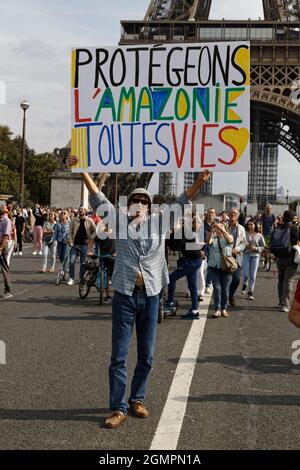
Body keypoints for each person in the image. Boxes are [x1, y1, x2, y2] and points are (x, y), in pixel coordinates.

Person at [67, 154, 211, 428]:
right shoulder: (119, 222)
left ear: (149, 207)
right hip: (124, 295)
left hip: (152, 296)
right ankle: (119, 407)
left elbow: (182, 201)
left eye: (144, 201)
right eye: (135, 200)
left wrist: (201, 181)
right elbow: (97, 197)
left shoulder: (160, 222)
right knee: (118, 355)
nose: (140, 204)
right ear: (129, 205)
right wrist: (81, 170)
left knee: (147, 354)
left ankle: (137, 399)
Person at [164, 215, 205, 320]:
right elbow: (169, 244)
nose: (172, 226)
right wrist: (170, 234)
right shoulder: (181, 231)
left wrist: (174, 232)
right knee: (192, 286)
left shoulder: (184, 231)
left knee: (172, 277)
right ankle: (194, 311)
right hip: (191, 260)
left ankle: (170, 302)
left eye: (174, 224)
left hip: (194, 261)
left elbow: (174, 246)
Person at [272, 210, 300, 312]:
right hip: (291, 257)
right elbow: (297, 240)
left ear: (283, 217)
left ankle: (280, 302)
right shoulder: (294, 228)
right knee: (288, 281)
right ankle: (286, 304)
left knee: (280, 279)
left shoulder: (279, 227)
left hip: (280, 256)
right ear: (292, 218)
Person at [207, 220, 234, 317]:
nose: (219, 228)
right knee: (217, 288)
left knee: (225, 289)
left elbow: (230, 241)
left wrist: (222, 229)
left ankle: (224, 309)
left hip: (226, 267)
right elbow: (208, 242)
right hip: (214, 266)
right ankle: (217, 309)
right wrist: (212, 230)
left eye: (221, 226)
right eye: (217, 228)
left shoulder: (229, 237)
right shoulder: (213, 238)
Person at [68, 206, 96, 285]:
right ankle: (71, 278)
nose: (81, 211)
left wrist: (90, 239)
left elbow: (95, 230)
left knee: (83, 263)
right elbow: (70, 232)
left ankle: (81, 278)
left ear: (85, 211)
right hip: (75, 244)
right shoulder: (74, 220)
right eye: (79, 209)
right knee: (71, 261)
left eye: (82, 209)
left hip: (84, 245)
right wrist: (70, 241)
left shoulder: (89, 220)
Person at [241, 219, 265, 300]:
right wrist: (244, 245)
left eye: (251, 224)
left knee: (253, 275)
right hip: (246, 255)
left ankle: (251, 291)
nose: (250, 226)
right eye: (248, 224)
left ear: (255, 225)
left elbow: (263, 246)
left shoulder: (259, 235)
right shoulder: (245, 234)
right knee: (245, 273)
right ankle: (244, 284)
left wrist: (256, 248)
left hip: (255, 256)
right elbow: (241, 243)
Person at [228, 208, 247, 307]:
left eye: (235, 213)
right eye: (231, 213)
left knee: (236, 279)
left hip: (237, 256)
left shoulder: (241, 228)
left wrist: (238, 248)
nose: (232, 215)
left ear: (238, 216)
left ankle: (230, 295)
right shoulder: (224, 226)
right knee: (225, 279)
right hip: (225, 256)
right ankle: (222, 301)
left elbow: (244, 243)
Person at [0, 206, 12, 299]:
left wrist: (1, 248)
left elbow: (6, 236)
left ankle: (8, 290)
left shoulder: (6, 221)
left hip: (3, 245)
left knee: (4, 267)